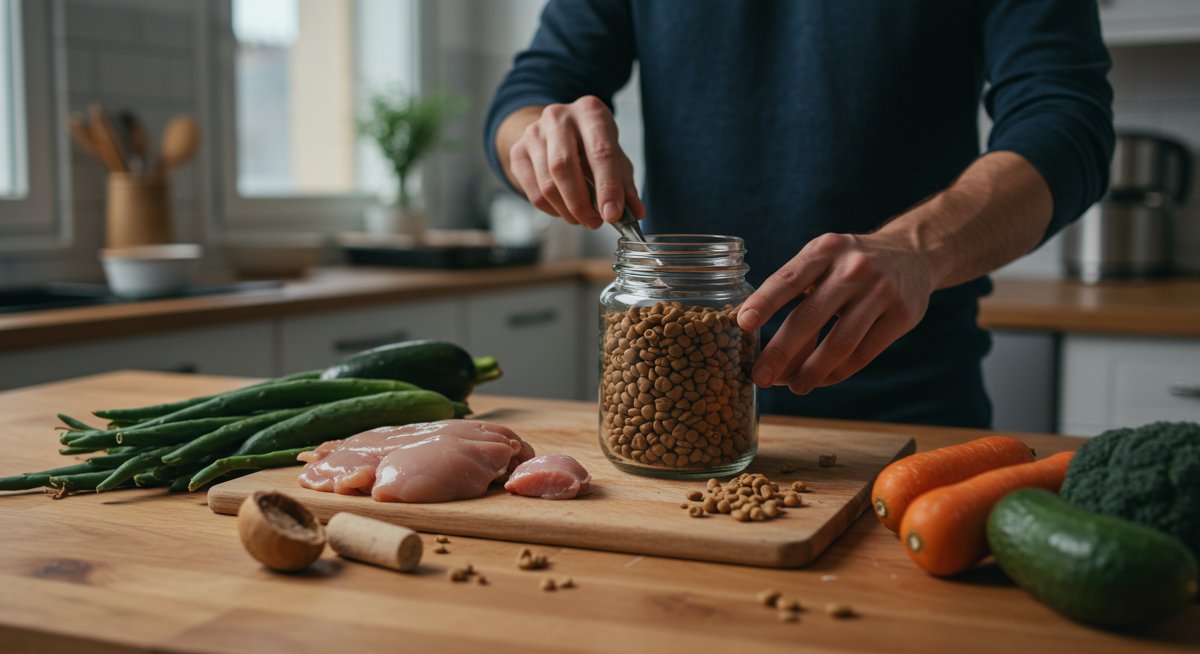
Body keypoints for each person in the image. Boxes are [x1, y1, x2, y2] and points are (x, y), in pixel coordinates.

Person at [484, 1, 1113, 428]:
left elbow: (1067, 124)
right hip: (675, 401)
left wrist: (918, 248)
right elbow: (529, 94)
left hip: (907, 408)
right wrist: (539, 135)